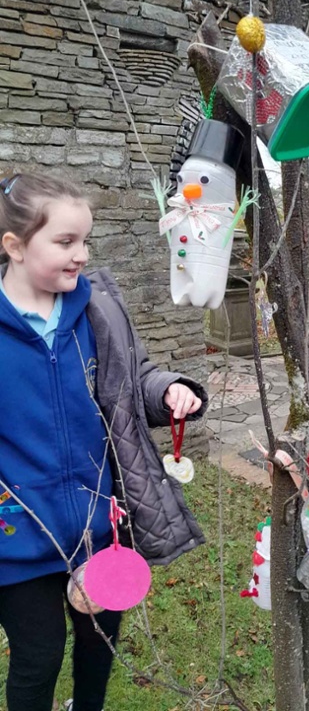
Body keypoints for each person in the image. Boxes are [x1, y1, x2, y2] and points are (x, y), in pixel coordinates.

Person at [0, 171, 208, 711]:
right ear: (15, 247)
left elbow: (132, 379)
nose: (81, 255)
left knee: (98, 643)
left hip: (100, 524)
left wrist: (169, 393)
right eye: (65, 242)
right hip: (18, 537)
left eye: (84, 241)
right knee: (37, 656)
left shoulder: (96, 311)